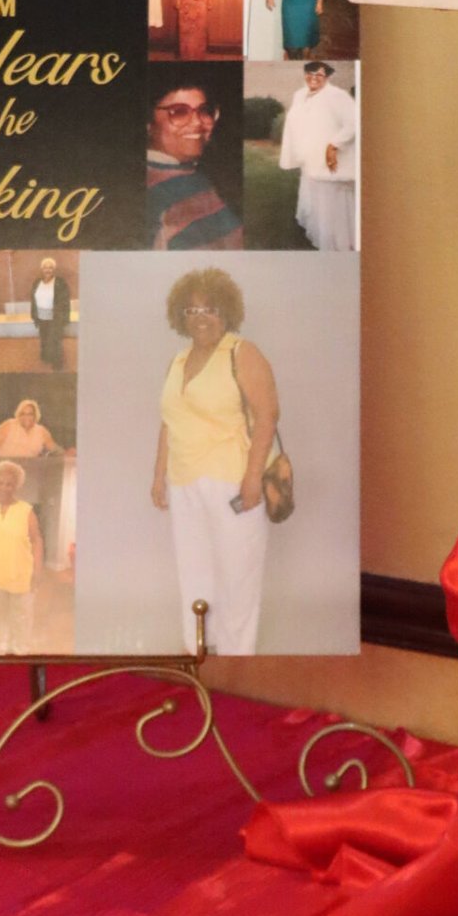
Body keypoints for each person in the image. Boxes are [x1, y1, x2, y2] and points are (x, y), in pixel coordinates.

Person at [151, 267, 279, 656]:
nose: (201, 318)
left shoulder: (242, 353)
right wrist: (159, 476)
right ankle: (199, 651)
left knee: (237, 576)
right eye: (191, 310)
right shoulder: (177, 361)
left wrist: (253, 478)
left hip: (232, 480)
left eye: (209, 309)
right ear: (180, 315)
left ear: (226, 311)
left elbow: (268, 416)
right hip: (184, 481)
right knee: (194, 571)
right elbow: (170, 421)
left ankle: (238, 657)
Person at [146, 79, 242, 251]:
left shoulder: (188, 176)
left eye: (204, 111)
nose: (197, 122)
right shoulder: (165, 193)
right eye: (179, 112)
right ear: (148, 124)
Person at [280, 61, 358, 250]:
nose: (313, 78)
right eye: (309, 74)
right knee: (313, 196)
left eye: (319, 75)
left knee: (330, 200)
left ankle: (336, 241)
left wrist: (333, 146)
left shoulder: (337, 96)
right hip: (309, 158)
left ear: (327, 77)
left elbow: (354, 123)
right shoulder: (300, 95)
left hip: (330, 159)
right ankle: (317, 231)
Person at [0, 459, 42, 653]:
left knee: (21, 616)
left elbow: (37, 540)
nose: (4, 488)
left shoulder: (26, 510)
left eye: (9, 484)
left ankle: (20, 647)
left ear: (16, 486)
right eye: (1, 483)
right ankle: (2, 644)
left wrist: (38, 570)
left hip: (20, 573)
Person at [30, 255, 71, 369]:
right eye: (45, 267)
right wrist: (34, 315)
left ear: (54, 269)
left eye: (50, 267)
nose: (47, 270)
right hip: (41, 316)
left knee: (55, 340)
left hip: (55, 317)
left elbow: (65, 301)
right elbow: (33, 299)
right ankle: (47, 357)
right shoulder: (37, 282)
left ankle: (57, 364)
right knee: (44, 338)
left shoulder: (60, 282)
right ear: (42, 269)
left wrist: (65, 317)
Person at [0, 395, 62, 459]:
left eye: (30, 414)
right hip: (3, 465)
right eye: (23, 414)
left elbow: (54, 448)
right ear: (18, 415)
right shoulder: (8, 425)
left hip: (28, 467)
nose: (26, 417)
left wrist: (66, 453)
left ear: (35, 416)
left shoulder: (41, 431)